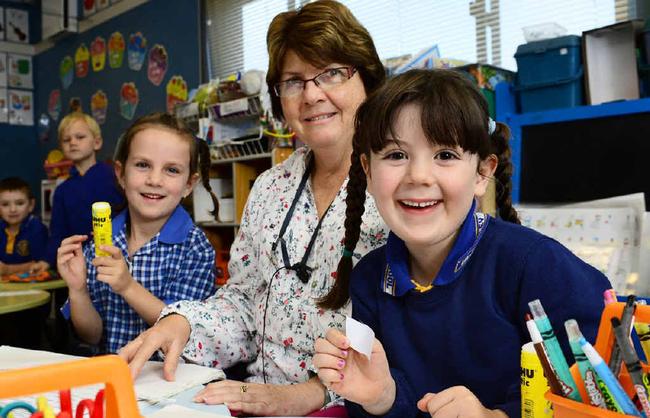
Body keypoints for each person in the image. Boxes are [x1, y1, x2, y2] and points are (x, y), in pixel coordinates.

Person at [119, 1, 388, 416]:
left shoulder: (400, 186)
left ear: (368, 80)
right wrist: (185, 324)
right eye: (294, 82)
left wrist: (310, 393)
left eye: (332, 73)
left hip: (353, 407)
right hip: (254, 401)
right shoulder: (270, 187)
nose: (313, 94)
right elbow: (244, 302)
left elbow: (413, 332)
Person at [312, 69, 612, 418]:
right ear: (368, 171)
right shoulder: (369, 279)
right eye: (396, 155)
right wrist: (382, 397)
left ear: (482, 174)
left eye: (445, 155)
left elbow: (612, 389)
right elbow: (375, 405)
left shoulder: (534, 264)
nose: (419, 176)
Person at [57, 112, 218, 354]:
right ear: (121, 174)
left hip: (168, 382)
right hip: (113, 377)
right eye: (143, 165)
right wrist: (78, 289)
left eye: (171, 170)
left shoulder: (195, 248)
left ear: (188, 184)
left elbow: (182, 331)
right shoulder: (102, 242)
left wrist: (127, 286)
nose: (154, 179)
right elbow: (91, 335)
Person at [45, 112, 124, 269]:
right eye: (67, 140)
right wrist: (46, 261)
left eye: (80, 137)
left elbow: (129, 214)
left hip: (115, 256)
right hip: (77, 263)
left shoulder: (114, 176)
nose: (73, 142)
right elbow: (58, 233)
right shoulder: (62, 190)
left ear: (97, 142)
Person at [0, 177, 49, 275]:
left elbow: (39, 264)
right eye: (5, 204)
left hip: (33, 285)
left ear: (31, 205)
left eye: (20, 203)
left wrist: (7, 269)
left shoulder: (37, 229)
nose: (13, 209)